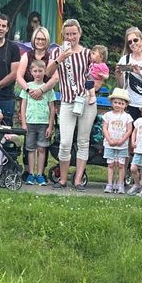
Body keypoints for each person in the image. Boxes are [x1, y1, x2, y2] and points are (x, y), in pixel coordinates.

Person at [46, 18, 97, 191]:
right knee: (65, 142)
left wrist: (92, 90)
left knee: (83, 141)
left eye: (74, 33)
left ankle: (78, 179)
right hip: (67, 102)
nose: (71, 37)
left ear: (79, 34)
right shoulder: (56, 52)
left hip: (85, 101)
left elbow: (95, 75)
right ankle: (62, 179)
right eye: (67, 34)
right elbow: (47, 73)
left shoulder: (87, 53)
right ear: (63, 35)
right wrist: (60, 58)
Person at [19, 59, 55, 186]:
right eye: (35, 71)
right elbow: (23, 106)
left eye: (40, 71)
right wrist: (23, 123)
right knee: (30, 149)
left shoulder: (48, 89)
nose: (38, 73)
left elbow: (52, 108)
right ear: (31, 72)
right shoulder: (27, 87)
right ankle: (30, 173)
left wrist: (50, 126)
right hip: (30, 122)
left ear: (44, 71)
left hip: (43, 123)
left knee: (41, 148)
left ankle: (40, 174)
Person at [102, 87, 133, 194]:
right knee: (110, 164)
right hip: (109, 144)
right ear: (111, 102)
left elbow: (129, 130)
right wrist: (109, 139)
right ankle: (109, 184)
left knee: (121, 165)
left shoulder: (127, 117)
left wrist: (122, 140)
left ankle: (120, 184)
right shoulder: (108, 115)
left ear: (125, 105)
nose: (117, 105)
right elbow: (105, 128)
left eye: (121, 103)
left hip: (122, 145)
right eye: (115, 102)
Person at [16, 26, 59, 100]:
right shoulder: (26, 56)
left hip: (46, 97)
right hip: (28, 97)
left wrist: (41, 91)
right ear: (34, 39)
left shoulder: (51, 57)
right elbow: (19, 77)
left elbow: (55, 78)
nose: (40, 42)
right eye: (38, 39)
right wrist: (29, 91)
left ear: (47, 41)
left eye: (43, 39)